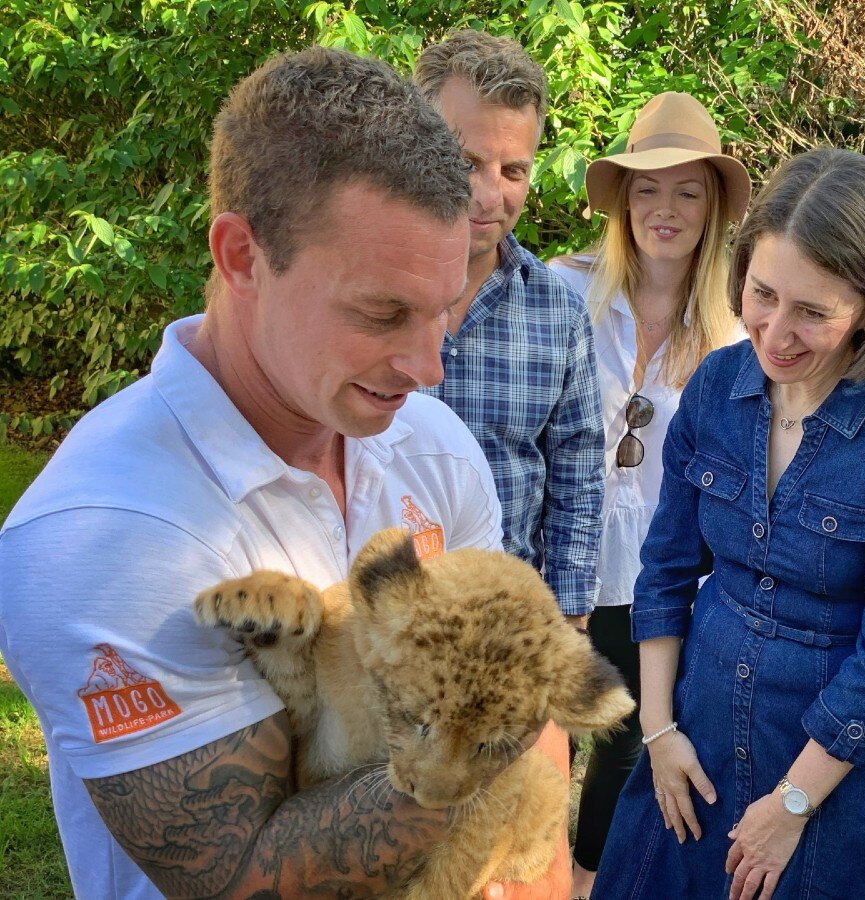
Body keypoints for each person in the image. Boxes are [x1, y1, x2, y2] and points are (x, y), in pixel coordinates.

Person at [0, 46, 552, 900]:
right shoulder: (105, 531)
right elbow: (242, 875)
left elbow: (531, 737)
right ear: (242, 256)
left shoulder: (435, 448)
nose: (428, 365)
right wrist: (485, 737)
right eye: (382, 312)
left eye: (445, 310)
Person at [590, 148, 865, 900]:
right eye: (762, 294)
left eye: (813, 313)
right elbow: (663, 573)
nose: (775, 334)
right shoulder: (716, 386)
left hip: (830, 761)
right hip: (695, 732)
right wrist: (659, 734)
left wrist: (792, 804)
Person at [548, 90, 751, 900]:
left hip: (659, 577)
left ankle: (586, 877)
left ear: (712, 209)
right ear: (623, 201)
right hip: (559, 560)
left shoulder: (735, 329)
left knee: (628, 736)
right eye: (647, 189)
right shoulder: (565, 292)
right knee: (536, 732)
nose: (665, 209)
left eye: (687, 191)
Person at [413, 30, 604, 629]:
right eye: (466, 161)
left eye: (513, 169)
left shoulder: (559, 313)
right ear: (416, 141)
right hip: (370, 638)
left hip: (507, 639)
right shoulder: (352, 295)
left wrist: (566, 630)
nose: (488, 193)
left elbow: (578, 474)